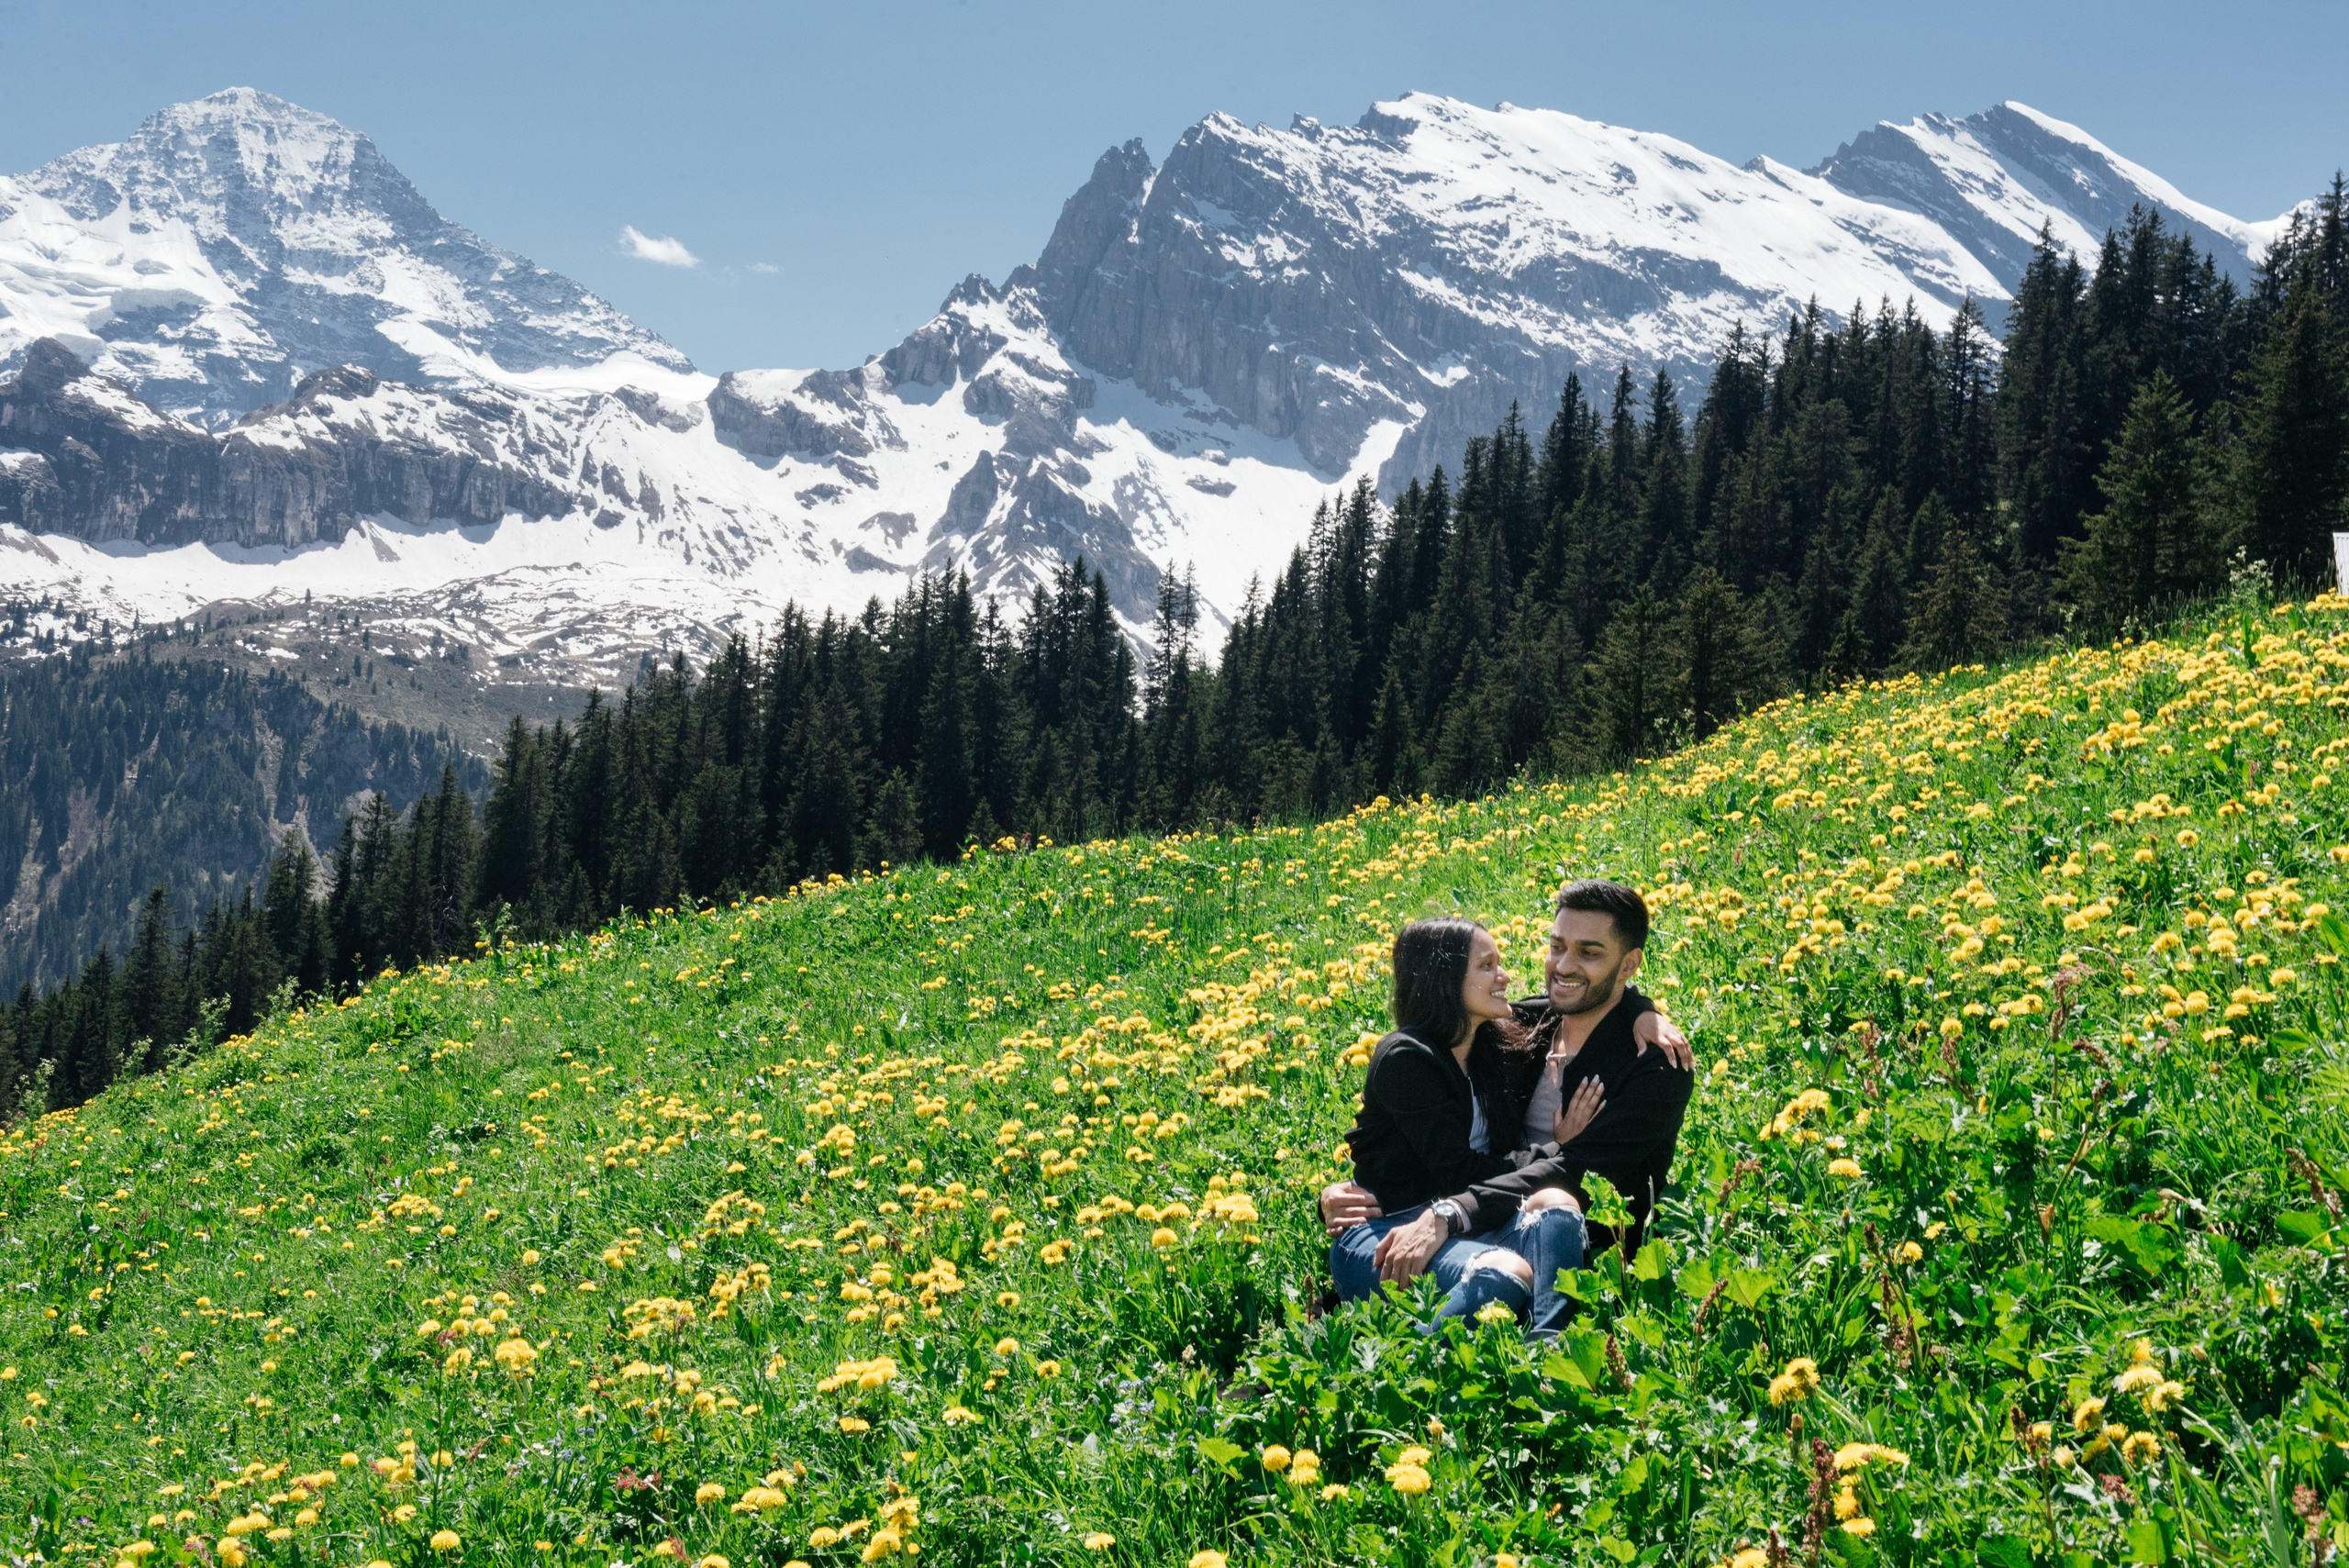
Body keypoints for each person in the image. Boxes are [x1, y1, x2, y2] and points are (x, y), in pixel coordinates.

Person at [1323, 880, 1697, 1300]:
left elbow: (1580, 1170)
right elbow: (1413, 1136)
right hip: (1474, 1224)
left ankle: (1537, 1338)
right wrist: (1338, 1196)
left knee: (1549, 1214)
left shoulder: (1655, 1064)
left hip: (1578, 1246)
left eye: (1589, 953)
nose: (1564, 965)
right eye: (1557, 946)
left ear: (1629, 965)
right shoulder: (1521, 1028)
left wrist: (1644, 1011)